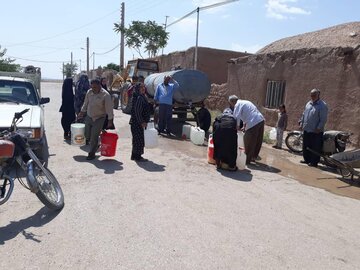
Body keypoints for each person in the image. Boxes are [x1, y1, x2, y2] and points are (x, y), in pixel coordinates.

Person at [78, 78, 114, 160]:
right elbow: (85, 103)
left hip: (99, 118)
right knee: (87, 135)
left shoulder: (105, 95)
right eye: (92, 87)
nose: (93, 89)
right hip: (89, 116)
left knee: (94, 136)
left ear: (99, 86)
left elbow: (109, 109)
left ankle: (92, 153)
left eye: (95, 87)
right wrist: (82, 112)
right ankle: (97, 144)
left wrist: (110, 121)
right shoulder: (89, 92)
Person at [231, 97, 265, 164]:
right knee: (257, 140)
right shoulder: (246, 102)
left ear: (232, 102)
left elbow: (236, 117)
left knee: (248, 140)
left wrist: (237, 127)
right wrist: (244, 126)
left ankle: (246, 160)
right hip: (261, 120)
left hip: (253, 122)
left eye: (231, 104)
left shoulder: (237, 104)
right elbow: (249, 113)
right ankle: (254, 157)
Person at [299, 88, 328, 167]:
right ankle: (306, 159)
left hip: (316, 131)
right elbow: (304, 114)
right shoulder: (308, 103)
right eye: (311, 95)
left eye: (314, 95)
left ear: (318, 95)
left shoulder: (322, 105)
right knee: (306, 146)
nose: (312, 96)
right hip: (307, 129)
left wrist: (318, 128)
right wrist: (301, 122)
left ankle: (314, 162)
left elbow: (323, 119)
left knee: (315, 147)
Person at [129, 82, 150, 161]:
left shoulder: (141, 96)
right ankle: (137, 157)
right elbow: (137, 111)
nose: (143, 89)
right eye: (141, 88)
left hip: (137, 122)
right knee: (138, 140)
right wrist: (142, 122)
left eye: (144, 87)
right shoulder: (139, 98)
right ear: (138, 89)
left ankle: (134, 155)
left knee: (137, 139)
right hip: (137, 123)